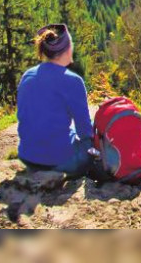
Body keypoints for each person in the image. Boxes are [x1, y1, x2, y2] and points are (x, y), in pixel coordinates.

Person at [16, 23, 96, 178]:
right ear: (66, 49)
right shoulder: (73, 81)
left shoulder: (28, 75)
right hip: (59, 161)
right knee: (90, 140)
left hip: (28, 157)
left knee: (68, 132)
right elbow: (85, 131)